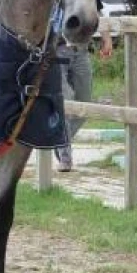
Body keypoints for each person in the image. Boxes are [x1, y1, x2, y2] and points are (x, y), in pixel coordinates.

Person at [55, 17, 114, 172]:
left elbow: (97, 13)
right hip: (58, 50)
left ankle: (59, 140)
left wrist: (106, 39)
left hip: (81, 51)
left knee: (84, 106)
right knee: (66, 103)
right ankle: (65, 157)